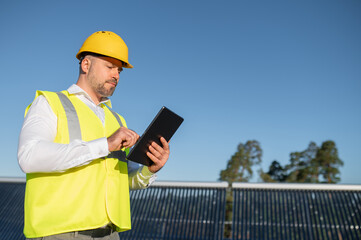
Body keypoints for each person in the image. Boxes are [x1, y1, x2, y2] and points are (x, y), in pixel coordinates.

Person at [17, 31, 170, 240]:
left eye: (119, 70)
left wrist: (149, 170)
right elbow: (29, 156)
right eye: (109, 66)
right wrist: (105, 144)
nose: (116, 75)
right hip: (60, 233)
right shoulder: (50, 103)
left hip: (109, 234)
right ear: (86, 65)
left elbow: (117, 181)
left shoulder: (117, 121)